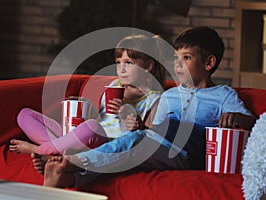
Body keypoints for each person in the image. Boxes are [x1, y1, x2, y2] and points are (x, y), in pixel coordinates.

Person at [40, 26, 257, 188]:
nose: (178, 64)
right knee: (128, 148)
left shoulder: (222, 95)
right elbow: (152, 129)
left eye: (187, 58)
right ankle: (71, 176)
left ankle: (74, 161)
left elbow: (252, 120)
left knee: (135, 143)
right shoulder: (170, 95)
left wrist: (235, 117)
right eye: (176, 58)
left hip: (185, 154)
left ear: (208, 63)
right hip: (157, 145)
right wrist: (138, 124)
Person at [9, 34, 166, 160]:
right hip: (87, 137)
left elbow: (151, 137)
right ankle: (62, 151)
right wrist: (87, 107)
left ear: (148, 66)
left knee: (92, 127)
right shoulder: (114, 85)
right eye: (118, 62)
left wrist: (137, 124)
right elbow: (102, 119)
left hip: (107, 145)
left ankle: (40, 150)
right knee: (25, 115)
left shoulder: (154, 98)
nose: (122, 69)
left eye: (129, 63)